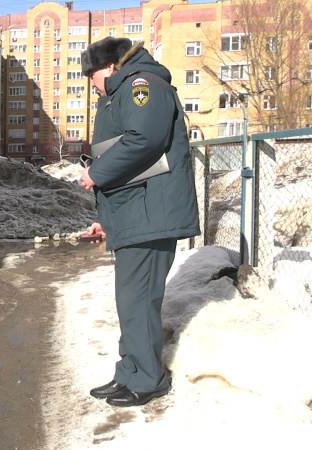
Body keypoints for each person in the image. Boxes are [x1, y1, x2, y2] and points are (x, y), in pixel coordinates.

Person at [78, 37, 201, 407]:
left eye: (93, 74)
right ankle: (129, 372)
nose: (91, 82)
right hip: (136, 212)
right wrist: (107, 220)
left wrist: (96, 173)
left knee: (140, 299)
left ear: (112, 66)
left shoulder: (141, 85)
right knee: (130, 301)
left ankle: (149, 379)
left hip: (152, 215)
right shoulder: (122, 91)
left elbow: (144, 140)